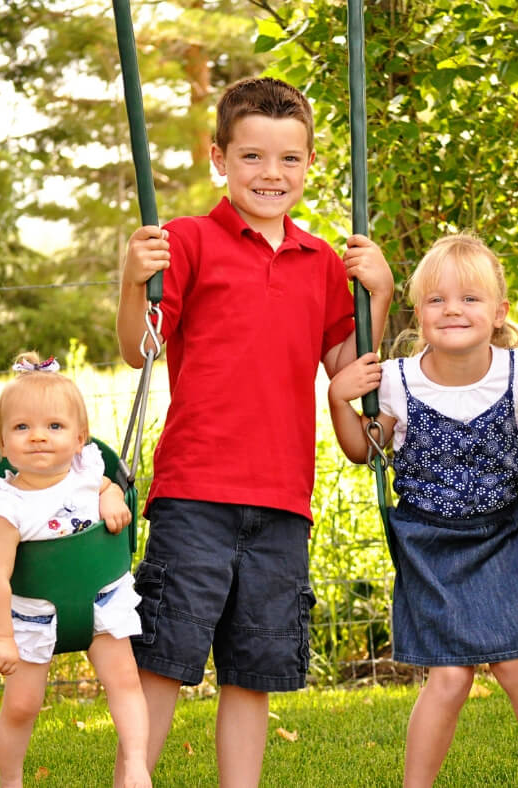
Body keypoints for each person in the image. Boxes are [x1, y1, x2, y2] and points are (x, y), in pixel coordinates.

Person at [116, 76, 393, 786]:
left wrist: (381, 296)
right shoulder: (187, 241)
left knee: (255, 668)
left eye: (289, 159)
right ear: (219, 157)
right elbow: (139, 348)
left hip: (282, 500)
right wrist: (130, 282)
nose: (272, 174)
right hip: (195, 491)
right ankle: (132, 776)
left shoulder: (324, 262)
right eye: (252, 157)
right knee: (165, 657)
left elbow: (350, 371)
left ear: (308, 164)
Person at [328, 234, 518, 788]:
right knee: (448, 677)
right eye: (437, 300)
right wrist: (337, 400)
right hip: (427, 541)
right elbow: (361, 451)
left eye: (470, 299)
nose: (453, 310)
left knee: (517, 664)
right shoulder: (395, 380)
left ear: (499, 312)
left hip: (500, 535)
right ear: (418, 312)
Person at [0, 352, 150, 788]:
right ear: (1, 444)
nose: (38, 437)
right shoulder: (4, 507)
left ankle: (135, 766)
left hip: (102, 602)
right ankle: (9, 780)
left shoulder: (88, 470)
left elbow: (107, 484)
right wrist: (2, 639)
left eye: (54, 426)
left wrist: (110, 495)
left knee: (125, 681)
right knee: (22, 706)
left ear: (79, 438)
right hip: (33, 617)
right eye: (21, 427)